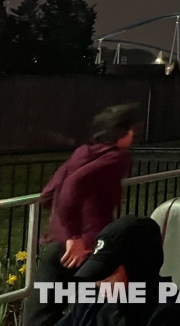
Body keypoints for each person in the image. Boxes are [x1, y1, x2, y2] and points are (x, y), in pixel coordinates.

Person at [23, 104, 139, 326]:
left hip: (61, 244)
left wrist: (65, 229)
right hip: (87, 246)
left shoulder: (84, 152)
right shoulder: (116, 158)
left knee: (41, 312)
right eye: (130, 130)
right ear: (120, 134)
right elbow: (72, 185)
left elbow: (50, 191)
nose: (133, 135)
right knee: (117, 299)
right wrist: (76, 235)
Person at [57, 216, 180, 326]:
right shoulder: (91, 301)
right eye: (97, 275)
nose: (99, 283)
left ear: (137, 269)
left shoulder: (170, 313)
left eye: (108, 273)